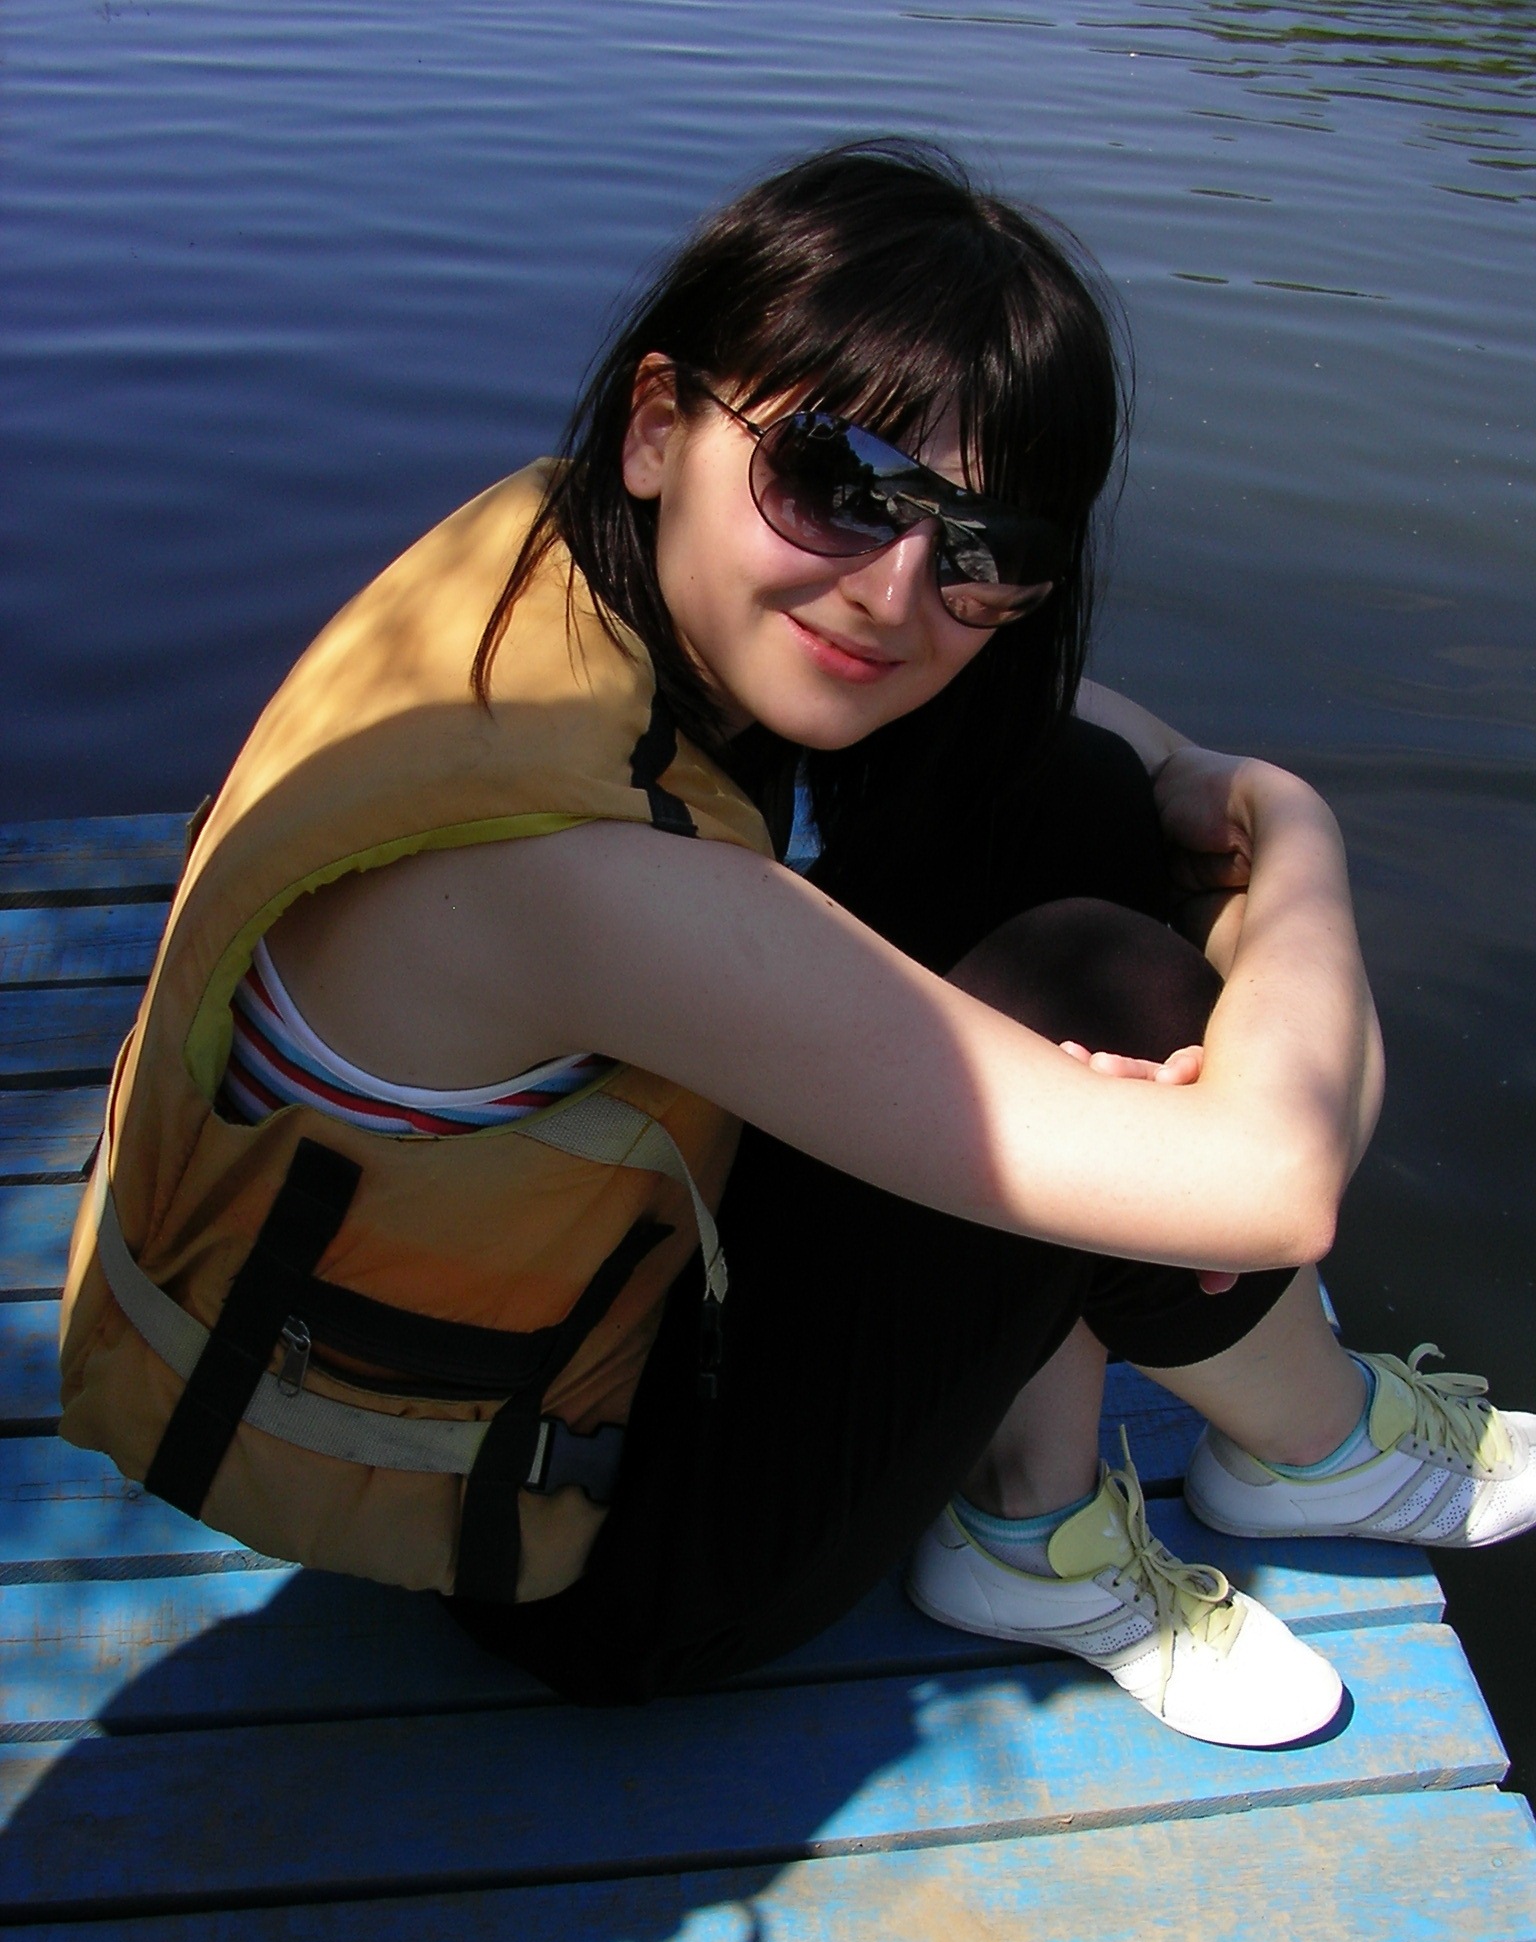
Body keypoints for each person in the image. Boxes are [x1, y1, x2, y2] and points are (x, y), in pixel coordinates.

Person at [59, 140, 1536, 1751]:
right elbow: (1280, 1182)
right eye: (840, 480)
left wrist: (1183, 808)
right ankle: (1302, 1445)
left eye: (985, 549)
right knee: (1114, 992)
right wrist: (1300, 832)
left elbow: (1090, 745)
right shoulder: (577, 878)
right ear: (659, 424)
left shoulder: (551, 573)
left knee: (1068, 799)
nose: (895, 592)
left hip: (552, 1335)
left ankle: (1057, 1503)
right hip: (594, 1561)